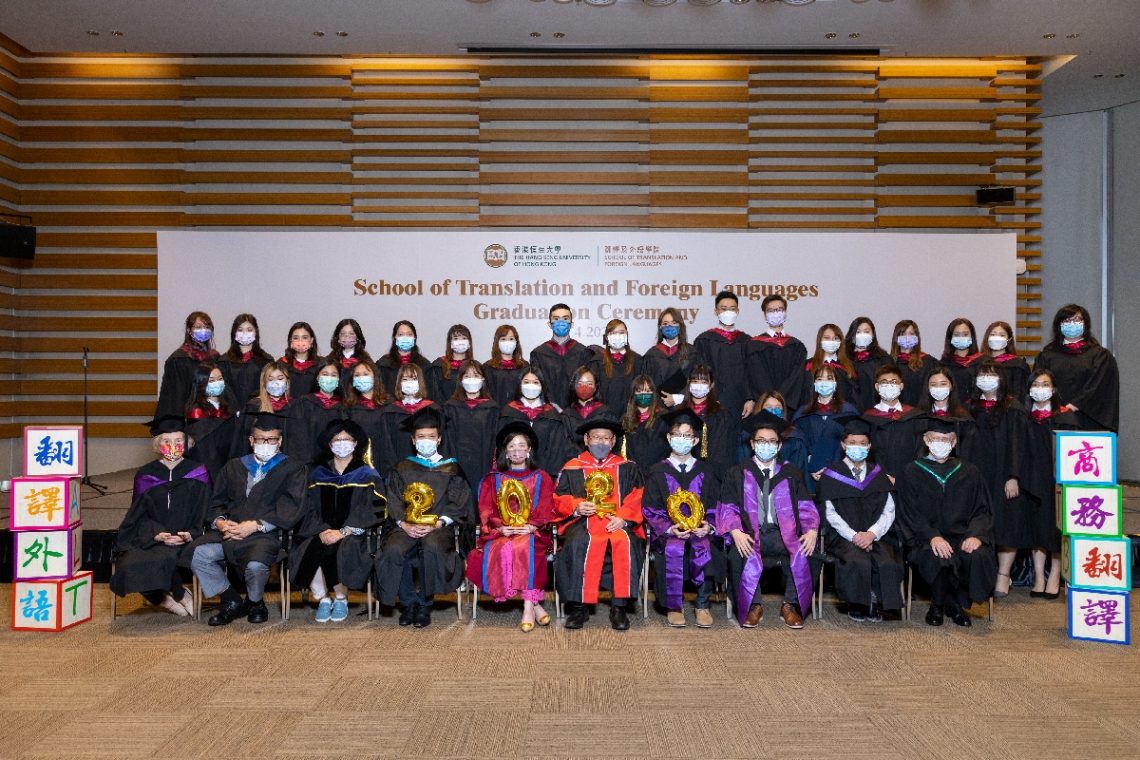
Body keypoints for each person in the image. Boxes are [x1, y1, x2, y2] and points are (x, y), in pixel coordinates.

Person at [191, 412, 308, 626]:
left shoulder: (293, 469)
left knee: (255, 565)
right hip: (230, 532)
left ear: (279, 441)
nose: (266, 444)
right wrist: (220, 522)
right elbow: (217, 501)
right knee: (199, 554)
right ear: (251, 440)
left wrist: (256, 525)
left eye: (271, 440)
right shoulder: (234, 466)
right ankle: (232, 601)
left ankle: (255, 602)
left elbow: (293, 506)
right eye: (261, 439)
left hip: (267, 534)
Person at [717, 411, 818, 629]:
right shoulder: (738, 472)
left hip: (783, 533)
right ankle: (753, 605)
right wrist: (735, 531)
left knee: (808, 550)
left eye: (772, 442)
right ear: (752, 444)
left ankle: (790, 605)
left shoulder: (791, 472)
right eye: (761, 441)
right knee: (737, 553)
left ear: (780, 446)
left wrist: (811, 530)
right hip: (749, 533)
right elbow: (728, 506)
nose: (767, 446)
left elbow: (805, 506)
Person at [376, 406, 472, 628]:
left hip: (438, 528)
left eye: (431, 437)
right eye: (421, 437)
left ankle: (425, 604)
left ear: (439, 440)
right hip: (405, 526)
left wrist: (439, 522)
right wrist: (404, 523)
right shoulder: (402, 468)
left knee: (432, 547)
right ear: (412, 439)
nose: (426, 440)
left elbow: (458, 501)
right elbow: (393, 499)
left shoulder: (451, 469)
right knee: (394, 549)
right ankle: (409, 603)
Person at [896, 416, 997, 627]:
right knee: (939, 555)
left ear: (954, 443)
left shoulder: (970, 472)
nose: (940, 443)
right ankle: (940, 605)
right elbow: (910, 513)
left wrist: (976, 535)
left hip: (962, 534)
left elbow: (982, 510)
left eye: (946, 439)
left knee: (976, 556)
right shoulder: (911, 471)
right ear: (926, 440)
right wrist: (933, 536)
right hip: (925, 537)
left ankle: (954, 602)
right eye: (935, 438)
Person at [110, 416, 211, 617]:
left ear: (187, 443)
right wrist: (156, 533)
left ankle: (180, 594)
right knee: (129, 563)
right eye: (167, 441)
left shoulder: (197, 473)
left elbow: (205, 509)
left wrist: (190, 533)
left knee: (165, 558)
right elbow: (137, 515)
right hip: (152, 536)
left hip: (187, 536)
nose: (173, 446)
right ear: (158, 444)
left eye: (178, 441)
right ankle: (168, 598)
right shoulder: (146, 475)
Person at [553, 415, 645, 631]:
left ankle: (619, 607)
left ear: (614, 442)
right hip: (582, 523)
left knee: (626, 542)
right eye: (596, 438)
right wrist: (576, 506)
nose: (601, 442)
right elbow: (558, 497)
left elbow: (638, 496)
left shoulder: (628, 467)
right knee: (576, 543)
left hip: (618, 523)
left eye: (606, 438)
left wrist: (623, 518)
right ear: (586, 439)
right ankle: (579, 608)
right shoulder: (572, 467)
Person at [464, 421, 556, 631]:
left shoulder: (541, 477)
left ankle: (526, 607)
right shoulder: (493, 479)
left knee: (524, 546)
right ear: (504, 451)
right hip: (502, 532)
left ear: (529, 449)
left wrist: (532, 526)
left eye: (521, 445)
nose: (517, 450)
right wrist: (500, 528)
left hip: (534, 533)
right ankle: (536, 606)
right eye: (511, 446)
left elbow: (547, 508)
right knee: (504, 547)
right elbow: (487, 511)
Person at [289, 419, 382, 623]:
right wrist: (322, 530)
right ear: (329, 445)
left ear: (355, 443)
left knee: (338, 549)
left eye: (346, 439)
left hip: (353, 534)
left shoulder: (367, 474)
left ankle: (341, 599)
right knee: (308, 548)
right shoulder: (317, 474)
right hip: (319, 531)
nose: (341, 443)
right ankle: (323, 599)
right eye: (336, 440)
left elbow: (374, 509)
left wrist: (343, 531)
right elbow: (307, 508)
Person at [816, 418, 904, 622]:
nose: (857, 447)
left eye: (862, 443)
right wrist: (854, 536)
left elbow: (889, 509)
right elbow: (829, 513)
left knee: (887, 561)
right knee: (856, 560)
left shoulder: (878, 474)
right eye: (852, 443)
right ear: (843, 445)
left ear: (869, 446)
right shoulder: (832, 474)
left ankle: (876, 601)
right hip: (843, 537)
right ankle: (858, 604)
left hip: (877, 535)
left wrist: (872, 533)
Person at [642, 409, 723, 628]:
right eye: (677, 434)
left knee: (704, 546)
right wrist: (670, 528)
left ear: (696, 440)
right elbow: (650, 509)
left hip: (699, 531)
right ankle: (674, 606)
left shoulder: (706, 471)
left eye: (687, 436)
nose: (682, 439)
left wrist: (709, 525)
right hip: (669, 534)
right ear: (669, 438)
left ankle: (702, 604)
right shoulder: (656, 471)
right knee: (673, 548)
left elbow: (716, 506)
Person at [965, 359, 1031, 599]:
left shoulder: (1012, 407)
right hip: (977, 473)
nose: (986, 379)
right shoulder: (970, 407)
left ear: (1001, 379)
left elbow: (1018, 444)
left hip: (1003, 475)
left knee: (1006, 523)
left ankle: (1003, 574)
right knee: (979, 520)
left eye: (991, 374)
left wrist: (1014, 475)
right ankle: (984, 571)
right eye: (982, 374)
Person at [1021, 369, 1080, 599]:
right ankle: (1038, 576)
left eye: (1045, 384)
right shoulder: (1024, 416)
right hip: (1030, 479)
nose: (1040, 388)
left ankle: (1055, 574)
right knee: (1036, 528)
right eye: (1035, 384)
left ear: (1054, 389)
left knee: (1054, 528)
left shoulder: (1065, 417)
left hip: (1057, 481)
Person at [1032, 303, 1119, 432]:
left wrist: (1073, 406)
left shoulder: (1100, 355)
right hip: (1054, 418)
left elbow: (1098, 385)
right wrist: (1057, 408)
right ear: (1059, 325)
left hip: (1089, 420)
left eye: (1077, 320)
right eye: (1067, 320)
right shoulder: (1047, 355)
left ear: (1086, 324)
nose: (1071, 324)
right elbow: (1038, 383)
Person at [793, 364, 860, 493]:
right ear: (814, 383)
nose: (824, 382)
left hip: (841, 473)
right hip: (809, 473)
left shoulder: (848, 412)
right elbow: (798, 446)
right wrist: (812, 465)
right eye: (819, 378)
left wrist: (832, 468)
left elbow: (854, 444)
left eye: (829, 378)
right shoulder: (802, 413)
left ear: (836, 384)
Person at [442, 360, 500, 496]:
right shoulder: (450, 407)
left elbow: (496, 440)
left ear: (483, 379)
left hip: (484, 463)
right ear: (460, 380)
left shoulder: (492, 408)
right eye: (467, 376)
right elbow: (446, 441)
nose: (471, 379)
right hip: (457, 464)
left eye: (476, 375)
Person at [499, 368, 570, 479]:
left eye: (536, 382)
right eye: (526, 382)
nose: (531, 385)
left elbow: (556, 451)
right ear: (520, 385)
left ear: (542, 386)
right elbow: (502, 447)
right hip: (511, 474)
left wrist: (546, 476)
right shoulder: (508, 412)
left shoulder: (551, 415)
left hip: (543, 476)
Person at [860, 363, 925, 481]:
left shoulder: (915, 416)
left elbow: (920, 449)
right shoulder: (867, 418)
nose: (889, 385)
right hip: (877, 479)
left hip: (911, 478)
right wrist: (881, 474)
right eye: (884, 382)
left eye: (894, 382)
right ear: (877, 386)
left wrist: (910, 474)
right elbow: (867, 452)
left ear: (901, 386)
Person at [746, 294, 808, 414]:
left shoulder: (797, 346)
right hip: (762, 405)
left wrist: (779, 400)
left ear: (785, 313)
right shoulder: (754, 345)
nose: (776, 313)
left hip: (787, 406)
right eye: (771, 310)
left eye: (780, 309)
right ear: (765, 315)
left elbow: (796, 378)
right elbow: (755, 376)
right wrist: (768, 401)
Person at [694, 290, 751, 418]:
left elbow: (751, 373)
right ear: (716, 311)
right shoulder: (704, 340)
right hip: (713, 401)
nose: (728, 312)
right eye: (723, 308)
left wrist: (750, 398)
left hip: (742, 403)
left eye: (732, 308)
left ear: (737, 311)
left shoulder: (746, 341)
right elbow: (701, 373)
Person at [528, 303, 596, 409]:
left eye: (565, 318)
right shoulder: (538, 354)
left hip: (577, 412)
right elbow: (537, 385)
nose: (561, 322)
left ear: (571, 324)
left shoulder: (583, 353)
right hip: (547, 412)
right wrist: (550, 406)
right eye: (556, 318)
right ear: (549, 324)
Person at [682, 363, 740, 479]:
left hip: (708, 475)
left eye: (704, 382)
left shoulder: (720, 415)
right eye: (695, 381)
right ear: (689, 383)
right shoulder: (680, 412)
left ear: (711, 385)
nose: (699, 386)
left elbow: (721, 452)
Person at [377, 363, 438, 473]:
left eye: (414, 378)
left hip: (430, 468)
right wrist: (393, 471)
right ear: (399, 383)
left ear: (421, 382)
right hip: (399, 468)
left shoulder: (433, 409)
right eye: (405, 379)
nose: (409, 383)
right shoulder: (390, 412)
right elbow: (386, 447)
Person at [156, 310, 218, 417]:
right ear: (189, 331)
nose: (203, 330)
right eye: (198, 327)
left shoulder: (214, 358)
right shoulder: (178, 360)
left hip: (212, 417)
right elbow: (173, 398)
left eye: (207, 327)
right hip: (187, 418)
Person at [184, 360, 238, 480]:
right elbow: (204, 452)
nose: (217, 383)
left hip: (229, 463)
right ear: (201, 383)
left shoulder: (228, 407)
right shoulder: (197, 412)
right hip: (208, 468)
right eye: (211, 380)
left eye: (220, 379)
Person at [286, 358, 344, 465]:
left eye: (333, 375)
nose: (329, 378)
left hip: (338, 465)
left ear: (339, 379)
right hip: (309, 465)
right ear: (317, 377)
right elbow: (298, 439)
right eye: (325, 374)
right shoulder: (304, 403)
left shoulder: (344, 407)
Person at [232, 360, 293, 458]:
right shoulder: (253, 406)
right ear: (264, 383)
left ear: (287, 382)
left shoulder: (296, 407)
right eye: (271, 379)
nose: (276, 383)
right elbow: (242, 442)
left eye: (280, 378)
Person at [342, 358, 391, 470]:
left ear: (375, 377)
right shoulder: (348, 408)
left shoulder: (390, 405)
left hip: (386, 462)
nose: (361, 378)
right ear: (352, 381)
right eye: (357, 375)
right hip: (358, 463)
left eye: (365, 374)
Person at [742, 392, 809, 473]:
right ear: (760, 409)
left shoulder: (795, 439)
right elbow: (741, 468)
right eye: (769, 407)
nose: (773, 411)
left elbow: (800, 472)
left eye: (778, 407)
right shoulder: (747, 437)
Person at [216, 313, 273, 407]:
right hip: (231, 414)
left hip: (257, 412)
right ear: (234, 333)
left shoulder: (266, 360)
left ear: (256, 332)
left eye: (249, 330)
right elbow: (223, 391)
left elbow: (268, 389)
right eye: (240, 330)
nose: (245, 333)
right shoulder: (224, 362)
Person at [619, 374, 670, 476]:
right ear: (633, 394)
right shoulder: (625, 420)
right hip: (632, 475)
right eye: (639, 391)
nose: (643, 394)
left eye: (647, 391)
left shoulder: (663, 419)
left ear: (653, 393)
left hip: (657, 474)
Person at [641, 307, 695, 400]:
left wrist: (678, 398)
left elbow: (698, 381)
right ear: (660, 327)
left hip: (683, 408)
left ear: (680, 326)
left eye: (674, 323)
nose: (670, 326)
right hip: (658, 408)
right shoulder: (651, 355)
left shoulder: (692, 353)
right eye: (665, 324)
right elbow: (646, 386)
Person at [560, 365, 610, 459]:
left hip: (602, 464)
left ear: (596, 387)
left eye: (589, 384)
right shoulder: (566, 415)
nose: (584, 387)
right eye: (580, 383)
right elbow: (565, 444)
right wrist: (582, 459)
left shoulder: (605, 413)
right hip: (574, 464)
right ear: (574, 386)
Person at [803, 323, 857, 409]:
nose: (831, 342)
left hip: (842, 414)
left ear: (840, 342)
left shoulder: (849, 367)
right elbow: (804, 395)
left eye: (835, 338)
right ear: (820, 340)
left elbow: (854, 396)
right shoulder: (808, 365)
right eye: (827, 338)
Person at [596, 318, 642, 417]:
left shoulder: (638, 361)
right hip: (604, 419)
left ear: (627, 335)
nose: (617, 336)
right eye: (613, 333)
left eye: (621, 332)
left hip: (631, 419)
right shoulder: (597, 362)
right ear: (607, 337)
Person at [844, 316, 890, 411]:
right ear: (852, 335)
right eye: (858, 332)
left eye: (866, 331)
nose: (862, 335)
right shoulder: (844, 360)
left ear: (873, 335)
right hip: (852, 412)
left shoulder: (883, 359)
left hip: (878, 411)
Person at [377, 320, 431, 398]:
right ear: (394, 338)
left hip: (418, 408)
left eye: (409, 334)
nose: (405, 337)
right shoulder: (383, 364)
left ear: (415, 338)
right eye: (401, 334)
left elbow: (428, 392)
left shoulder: (424, 364)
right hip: (390, 408)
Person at [889, 320, 938, 407]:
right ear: (896, 338)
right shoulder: (889, 363)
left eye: (911, 333)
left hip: (922, 410)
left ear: (917, 337)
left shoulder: (928, 362)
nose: (907, 337)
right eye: (903, 334)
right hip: (896, 412)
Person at [981, 320, 1030, 399]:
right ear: (987, 338)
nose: (996, 338)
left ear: (1009, 339)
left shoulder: (1017, 365)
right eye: (993, 334)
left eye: (1002, 335)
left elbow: (1020, 395)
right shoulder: (979, 363)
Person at [427, 324, 475, 403]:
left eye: (464, 338)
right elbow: (434, 396)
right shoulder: (438, 366)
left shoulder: (474, 368)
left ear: (469, 343)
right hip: (443, 412)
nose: (460, 342)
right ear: (450, 343)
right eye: (456, 338)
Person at [483, 324, 528, 406]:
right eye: (503, 339)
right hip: (496, 413)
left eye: (511, 339)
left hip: (519, 414)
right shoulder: (488, 367)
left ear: (516, 342)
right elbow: (486, 394)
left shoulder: (524, 366)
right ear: (497, 342)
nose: (508, 342)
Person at [939, 317, 984, 396]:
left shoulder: (984, 362)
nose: (961, 337)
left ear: (972, 337)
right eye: (956, 335)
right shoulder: (944, 364)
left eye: (965, 334)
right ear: (950, 338)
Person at [281, 321, 319, 396]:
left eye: (305, 337)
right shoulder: (281, 364)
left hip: (313, 406)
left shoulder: (321, 364)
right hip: (289, 406)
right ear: (290, 341)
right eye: (296, 338)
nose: (300, 342)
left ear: (311, 340)